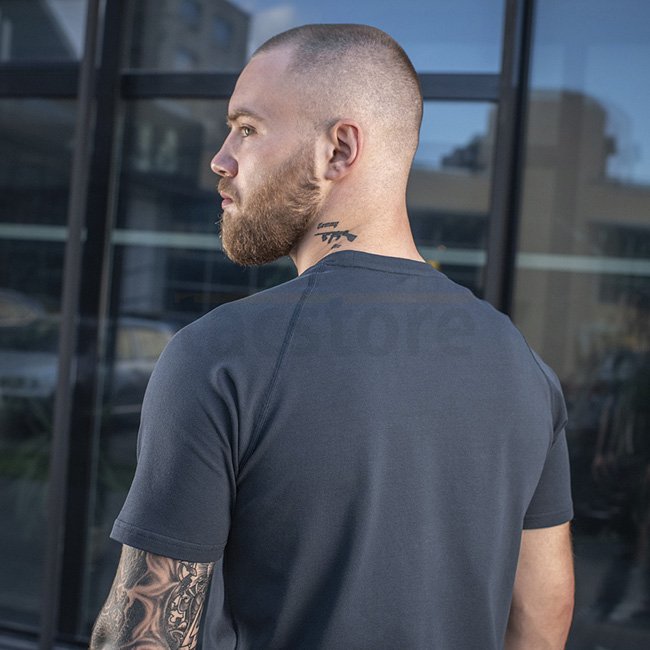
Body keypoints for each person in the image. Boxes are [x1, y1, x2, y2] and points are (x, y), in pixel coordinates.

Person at [90, 24, 574, 649]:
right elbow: (541, 621)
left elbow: (141, 640)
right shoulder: (524, 367)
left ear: (339, 150)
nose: (221, 158)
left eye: (247, 128)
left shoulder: (220, 358)